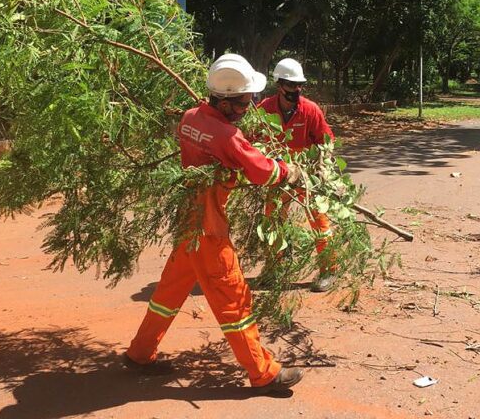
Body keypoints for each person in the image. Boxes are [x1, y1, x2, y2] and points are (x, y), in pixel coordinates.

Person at [125, 54, 304, 392]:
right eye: (244, 101)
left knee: (169, 292)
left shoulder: (191, 117)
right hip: (208, 228)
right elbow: (261, 171)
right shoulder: (225, 135)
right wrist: (287, 171)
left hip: (188, 222)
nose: (249, 107)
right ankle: (262, 372)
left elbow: (223, 151)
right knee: (233, 298)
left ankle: (140, 352)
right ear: (224, 104)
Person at [257, 58, 336, 292]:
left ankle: (328, 270)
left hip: (305, 175)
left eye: (299, 85)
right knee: (272, 220)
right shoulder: (264, 110)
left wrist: (322, 168)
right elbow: (253, 141)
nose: (296, 90)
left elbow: (326, 142)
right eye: (291, 85)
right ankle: (274, 268)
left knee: (319, 221)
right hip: (277, 174)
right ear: (279, 85)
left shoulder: (310, 110)